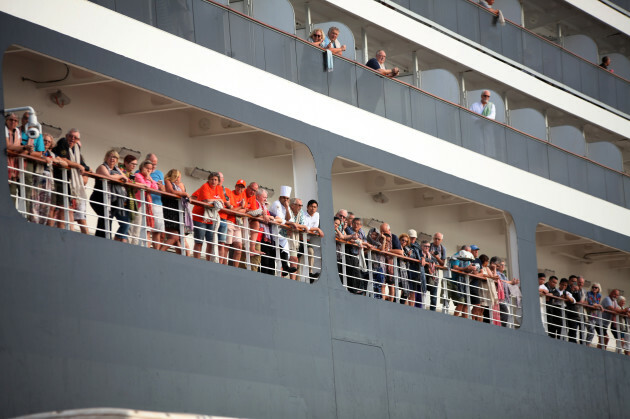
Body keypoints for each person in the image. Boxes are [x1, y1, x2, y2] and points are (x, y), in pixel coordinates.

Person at [52, 129, 90, 234]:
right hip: (58, 179)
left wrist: (88, 169)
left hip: (68, 183)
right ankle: (58, 229)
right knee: (59, 207)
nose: (72, 139)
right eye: (71, 136)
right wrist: (78, 166)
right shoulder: (63, 142)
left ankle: (66, 230)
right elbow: (63, 159)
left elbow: (82, 163)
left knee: (67, 208)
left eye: (75, 138)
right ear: (66, 136)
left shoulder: (76, 149)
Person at [91, 149, 130, 241]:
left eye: (115, 157)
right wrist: (119, 177)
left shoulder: (117, 169)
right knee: (105, 218)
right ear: (106, 157)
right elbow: (108, 177)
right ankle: (101, 239)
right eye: (111, 156)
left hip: (111, 199)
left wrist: (120, 176)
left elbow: (126, 179)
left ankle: (103, 239)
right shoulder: (102, 167)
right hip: (99, 197)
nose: (112, 159)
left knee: (108, 219)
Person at [190, 172, 229, 261]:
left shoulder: (219, 188)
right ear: (208, 180)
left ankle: (208, 262)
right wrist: (217, 199)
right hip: (200, 217)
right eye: (211, 179)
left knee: (211, 242)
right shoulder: (205, 186)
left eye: (215, 180)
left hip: (211, 218)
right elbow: (207, 200)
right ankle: (196, 261)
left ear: (218, 181)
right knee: (199, 242)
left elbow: (222, 202)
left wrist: (218, 200)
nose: (213, 181)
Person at [32, 134, 67, 225]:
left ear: (51, 144)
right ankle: (34, 222)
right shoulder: (37, 150)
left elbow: (65, 164)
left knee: (46, 202)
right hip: (37, 176)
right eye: (44, 140)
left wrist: (56, 160)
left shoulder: (52, 154)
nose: (46, 143)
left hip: (48, 179)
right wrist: (44, 158)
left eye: (49, 141)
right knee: (36, 201)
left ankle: (42, 223)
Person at [269, 186, 300, 276]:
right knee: (284, 241)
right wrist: (289, 224)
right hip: (272, 229)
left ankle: (285, 266)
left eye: (287, 199)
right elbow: (281, 220)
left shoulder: (286, 207)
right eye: (284, 198)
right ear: (280, 198)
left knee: (285, 241)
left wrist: (287, 208)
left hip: (279, 232)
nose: (285, 200)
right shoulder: (276, 204)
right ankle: (285, 266)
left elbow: (289, 220)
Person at [160, 169, 190, 254]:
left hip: (178, 212)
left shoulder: (179, 185)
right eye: (179, 177)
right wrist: (184, 194)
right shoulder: (167, 181)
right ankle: (159, 253)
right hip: (170, 211)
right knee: (175, 237)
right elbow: (171, 191)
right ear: (175, 176)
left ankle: (183, 258)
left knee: (180, 239)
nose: (180, 179)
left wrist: (183, 192)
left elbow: (182, 193)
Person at [131, 160, 157, 245]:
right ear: (142, 168)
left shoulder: (148, 178)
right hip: (135, 203)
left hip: (142, 204)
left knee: (138, 227)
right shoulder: (138, 175)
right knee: (131, 226)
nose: (149, 170)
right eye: (147, 168)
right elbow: (146, 186)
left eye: (150, 169)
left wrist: (150, 179)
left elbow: (155, 188)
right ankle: (128, 243)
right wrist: (148, 178)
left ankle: (134, 245)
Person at [224, 179, 247, 267]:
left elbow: (244, 211)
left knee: (239, 246)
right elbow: (230, 210)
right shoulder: (230, 193)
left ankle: (235, 267)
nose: (240, 189)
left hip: (238, 223)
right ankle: (224, 265)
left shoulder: (243, 196)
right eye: (239, 186)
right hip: (229, 221)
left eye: (242, 187)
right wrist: (240, 207)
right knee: (227, 244)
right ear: (235, 186)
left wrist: (237, 209)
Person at [449, 246, 476, 318]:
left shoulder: (467, 258)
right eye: (468, 251)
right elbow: (455, 267)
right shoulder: (457, 256)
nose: (469, 253)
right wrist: (467, 268)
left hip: (463, 283)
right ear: (463, 251)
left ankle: (464, 320)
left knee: (465, 303)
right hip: (454, 281)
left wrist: (471, 269)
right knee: (461, 303)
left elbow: (467, 270)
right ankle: (454, 319)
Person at [344, 217, 369, 294]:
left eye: (358, 224)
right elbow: (355, 239)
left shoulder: (362, 232)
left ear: (361, 225)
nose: (355, 225)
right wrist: (364, 243)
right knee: (354, 271)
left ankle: (358, 289)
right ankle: (354, 289)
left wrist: (363, 242)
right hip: (350, 252)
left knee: (360, 272)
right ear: (352, 224)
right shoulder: (348, 229)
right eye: (354, 223)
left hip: (358, 254)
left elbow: (364, 240)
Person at [380, 223, 403, 302]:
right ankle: (382, 301)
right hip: (381, 262)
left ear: (389, 230)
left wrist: (389, 251)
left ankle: (390, 302)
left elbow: (400, 252)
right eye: (381, 231)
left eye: (385, 231)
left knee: (391, 285)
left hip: (391, 264)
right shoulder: (379, 237)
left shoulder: (394, 237)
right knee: (382, 284)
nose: (383, 233)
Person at [121, 155, 141, 245]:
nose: (134, 166)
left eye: (135, 164)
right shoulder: (121, 170)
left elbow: (133, 187)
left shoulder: (132, 174)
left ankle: (131, 244)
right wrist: (138, 185)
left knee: (133, 226)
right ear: (126, 163)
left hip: (130, 200)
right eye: (132, 164)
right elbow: (127, 182)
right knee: (126, 225)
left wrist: (136, 186)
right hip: (122, 200)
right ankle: (125, 243)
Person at [302, 199, 324, 280]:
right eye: (311, 206)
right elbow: (304, 226)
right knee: (297, 259)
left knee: (311, 252)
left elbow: (312, 229)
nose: (313, 209)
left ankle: (310, 273)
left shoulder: (317, 215)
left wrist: (313, 229)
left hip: (307, 240)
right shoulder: (303, 214)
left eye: (315, 207)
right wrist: (317, 229)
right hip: (300, 239)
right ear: (307, 207)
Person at [419, 240, 438, 309]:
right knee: (422, 294)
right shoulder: (419, 253)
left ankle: (432, 311)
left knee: (433, 297)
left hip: (431, 277)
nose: (427, 248)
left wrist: (425, 259)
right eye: (425, 246)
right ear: (421, 246)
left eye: (428, 246)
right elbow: (418, 258)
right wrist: (423, 258)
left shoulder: (430, 255)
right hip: (422, 276)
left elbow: (435, 261)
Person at [585, 283, 604, 349]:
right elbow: (591, 303)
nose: (594, 288)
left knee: (592, 330)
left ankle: (587, 344)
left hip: (594, 315)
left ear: (598, 289)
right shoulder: (589, 293)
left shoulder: (599, 295)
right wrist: (600, 306)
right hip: (588, 313)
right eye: (593, 287)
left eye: (596, 287)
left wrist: (597, 305)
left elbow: (596, 304)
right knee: (591, 330)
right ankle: (586, 344)